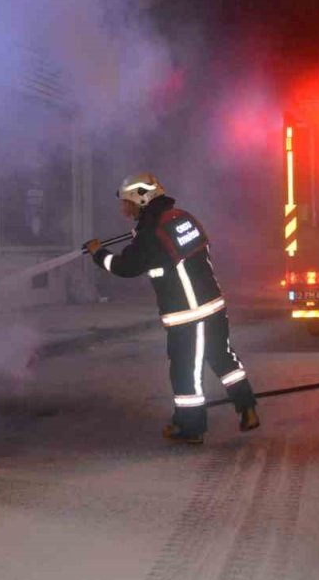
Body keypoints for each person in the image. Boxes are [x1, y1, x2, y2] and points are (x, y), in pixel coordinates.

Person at [84, 172, 260, 444]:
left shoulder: (151, 234)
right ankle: (247, 407)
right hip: (213, 306)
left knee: (184, 371)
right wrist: (141, 235)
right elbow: (168, 250)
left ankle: (190, 428)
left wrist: (98, 254)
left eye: (127, 204)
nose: (123, 210)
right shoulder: (180, 218)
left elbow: (126, 267)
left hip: (189, 315)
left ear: (141, 200)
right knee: (222, 357)